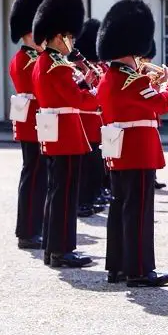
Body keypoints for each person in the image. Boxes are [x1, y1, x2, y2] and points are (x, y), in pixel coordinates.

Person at [96, 0, 168, 287]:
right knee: (139, 210)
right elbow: (163, 104)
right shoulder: (133, 81)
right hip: (138, 150)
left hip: (118, 149)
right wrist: (166, 81)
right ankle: (139, 269)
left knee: (120, 208)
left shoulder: (110, 78)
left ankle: (116, 266)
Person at [31, 0, 98, 268]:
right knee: (65, 193)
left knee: (58, 190)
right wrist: (99, 91)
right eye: (69, 37)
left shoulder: (44, 63)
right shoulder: (57, 66)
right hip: (65, 135)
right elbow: (76, 100)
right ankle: (61, 250)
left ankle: (53, 247)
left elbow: (66, 93)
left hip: (56, 131)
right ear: (59, 37)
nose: (72, 42)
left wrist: (84, 84)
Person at [8, 0, 50, 250]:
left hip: (39, 124)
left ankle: (34, 227)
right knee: (34, 177)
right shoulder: (27, 59)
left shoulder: (32, 57)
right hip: (34, 124)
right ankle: (28, 231)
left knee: (38, 177)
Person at [72, 18, 108, 216]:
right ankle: (83, 200)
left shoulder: (95, 67)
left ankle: (93, 195)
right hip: (83, 121)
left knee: (95, 164)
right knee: (85, 166)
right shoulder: (76, 68)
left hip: (96, 121)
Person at [139, 39, 168, 191]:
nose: (148, 61)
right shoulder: (137, 75)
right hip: (145, 116)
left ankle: (154, 176)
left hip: (152, 115)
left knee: (154, 148)